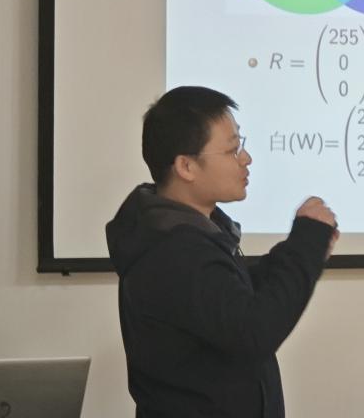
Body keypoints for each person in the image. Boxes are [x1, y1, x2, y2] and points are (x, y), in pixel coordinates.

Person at [106, 86, 338, 418]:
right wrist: (305, 244)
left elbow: (232, 296)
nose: (246, 158)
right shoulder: (175, 251)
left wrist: (302, 251)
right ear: (186, 166)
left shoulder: (187, 232)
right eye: (232, 150)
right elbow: (254, 331)